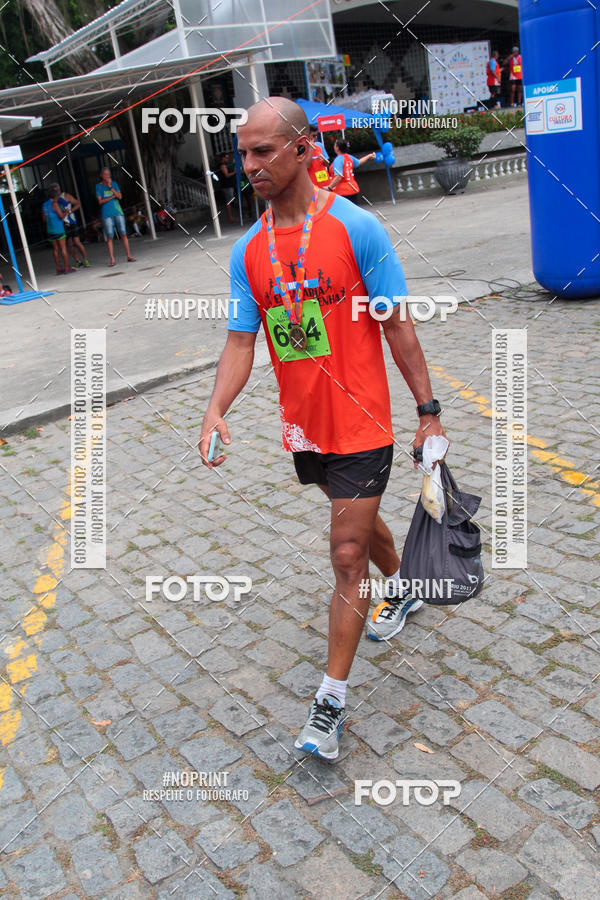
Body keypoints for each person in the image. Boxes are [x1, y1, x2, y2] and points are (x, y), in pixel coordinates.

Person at [198, 97, 446, 762]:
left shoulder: (356, 229)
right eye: (242, 154)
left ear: (304, 150)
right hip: (306, 427)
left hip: (363, 419)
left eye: (263, 151)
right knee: (355, 521)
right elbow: (241, 341)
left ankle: (329, 704)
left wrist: (427, 410)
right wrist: (216, 408)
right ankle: (407, 584)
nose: (250, 165)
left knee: (345, 551)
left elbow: (397, 325)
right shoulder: (248, 251)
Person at [95, 168, 136, 266]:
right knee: (110, 235)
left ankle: (129, 255)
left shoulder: (114, 184)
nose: (107, 176)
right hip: (106, 214)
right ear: (101, 175)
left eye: (108, 174)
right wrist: (112, 196)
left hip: (117, 212)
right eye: (105, 174)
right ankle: (112, 259)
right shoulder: (98, 186)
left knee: (123, 233)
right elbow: (100, 201)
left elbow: (120, 196)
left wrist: (110, 187)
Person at [52, 183, 90, 268]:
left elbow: (78, 203)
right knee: (69, 244)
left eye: (56, 188)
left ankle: (86, 259)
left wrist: (70, 211)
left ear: (59, 188)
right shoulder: (53, 200)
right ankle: (77, 261)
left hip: (72, 221)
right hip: (62, 223)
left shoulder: (66, 195)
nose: (56, 190)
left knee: (77, 242)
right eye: (54, 189)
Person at [41, 186, 75, 275]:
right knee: (63, 248)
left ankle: (59, 269)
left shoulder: (44, 205)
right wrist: (66, 211)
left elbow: (44, 219)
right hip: (58, 229)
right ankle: (67, 268)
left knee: (55, 249)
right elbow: (61, 216)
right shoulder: (55, 204)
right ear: (55, 197)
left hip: (50, 229)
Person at [307, 124, 331, 189]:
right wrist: (311, 149)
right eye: (313, 136)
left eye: (316, 135)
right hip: (314, 185)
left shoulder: (319, 147)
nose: (316, 138)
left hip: (325, 183)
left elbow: (326, 164)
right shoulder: (303, 150)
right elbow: (307, 166)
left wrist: (325, 161)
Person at [218, 152, 237, 223]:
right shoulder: (222, 165)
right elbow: (227, 175)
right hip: (226, 186)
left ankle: (231, 216)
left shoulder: (225, 165)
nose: (227, 159)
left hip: (228, 185)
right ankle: (230, 217)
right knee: (229, 201)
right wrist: (234, 172)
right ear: (223, 158)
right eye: (226, 158)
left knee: (230, 200)